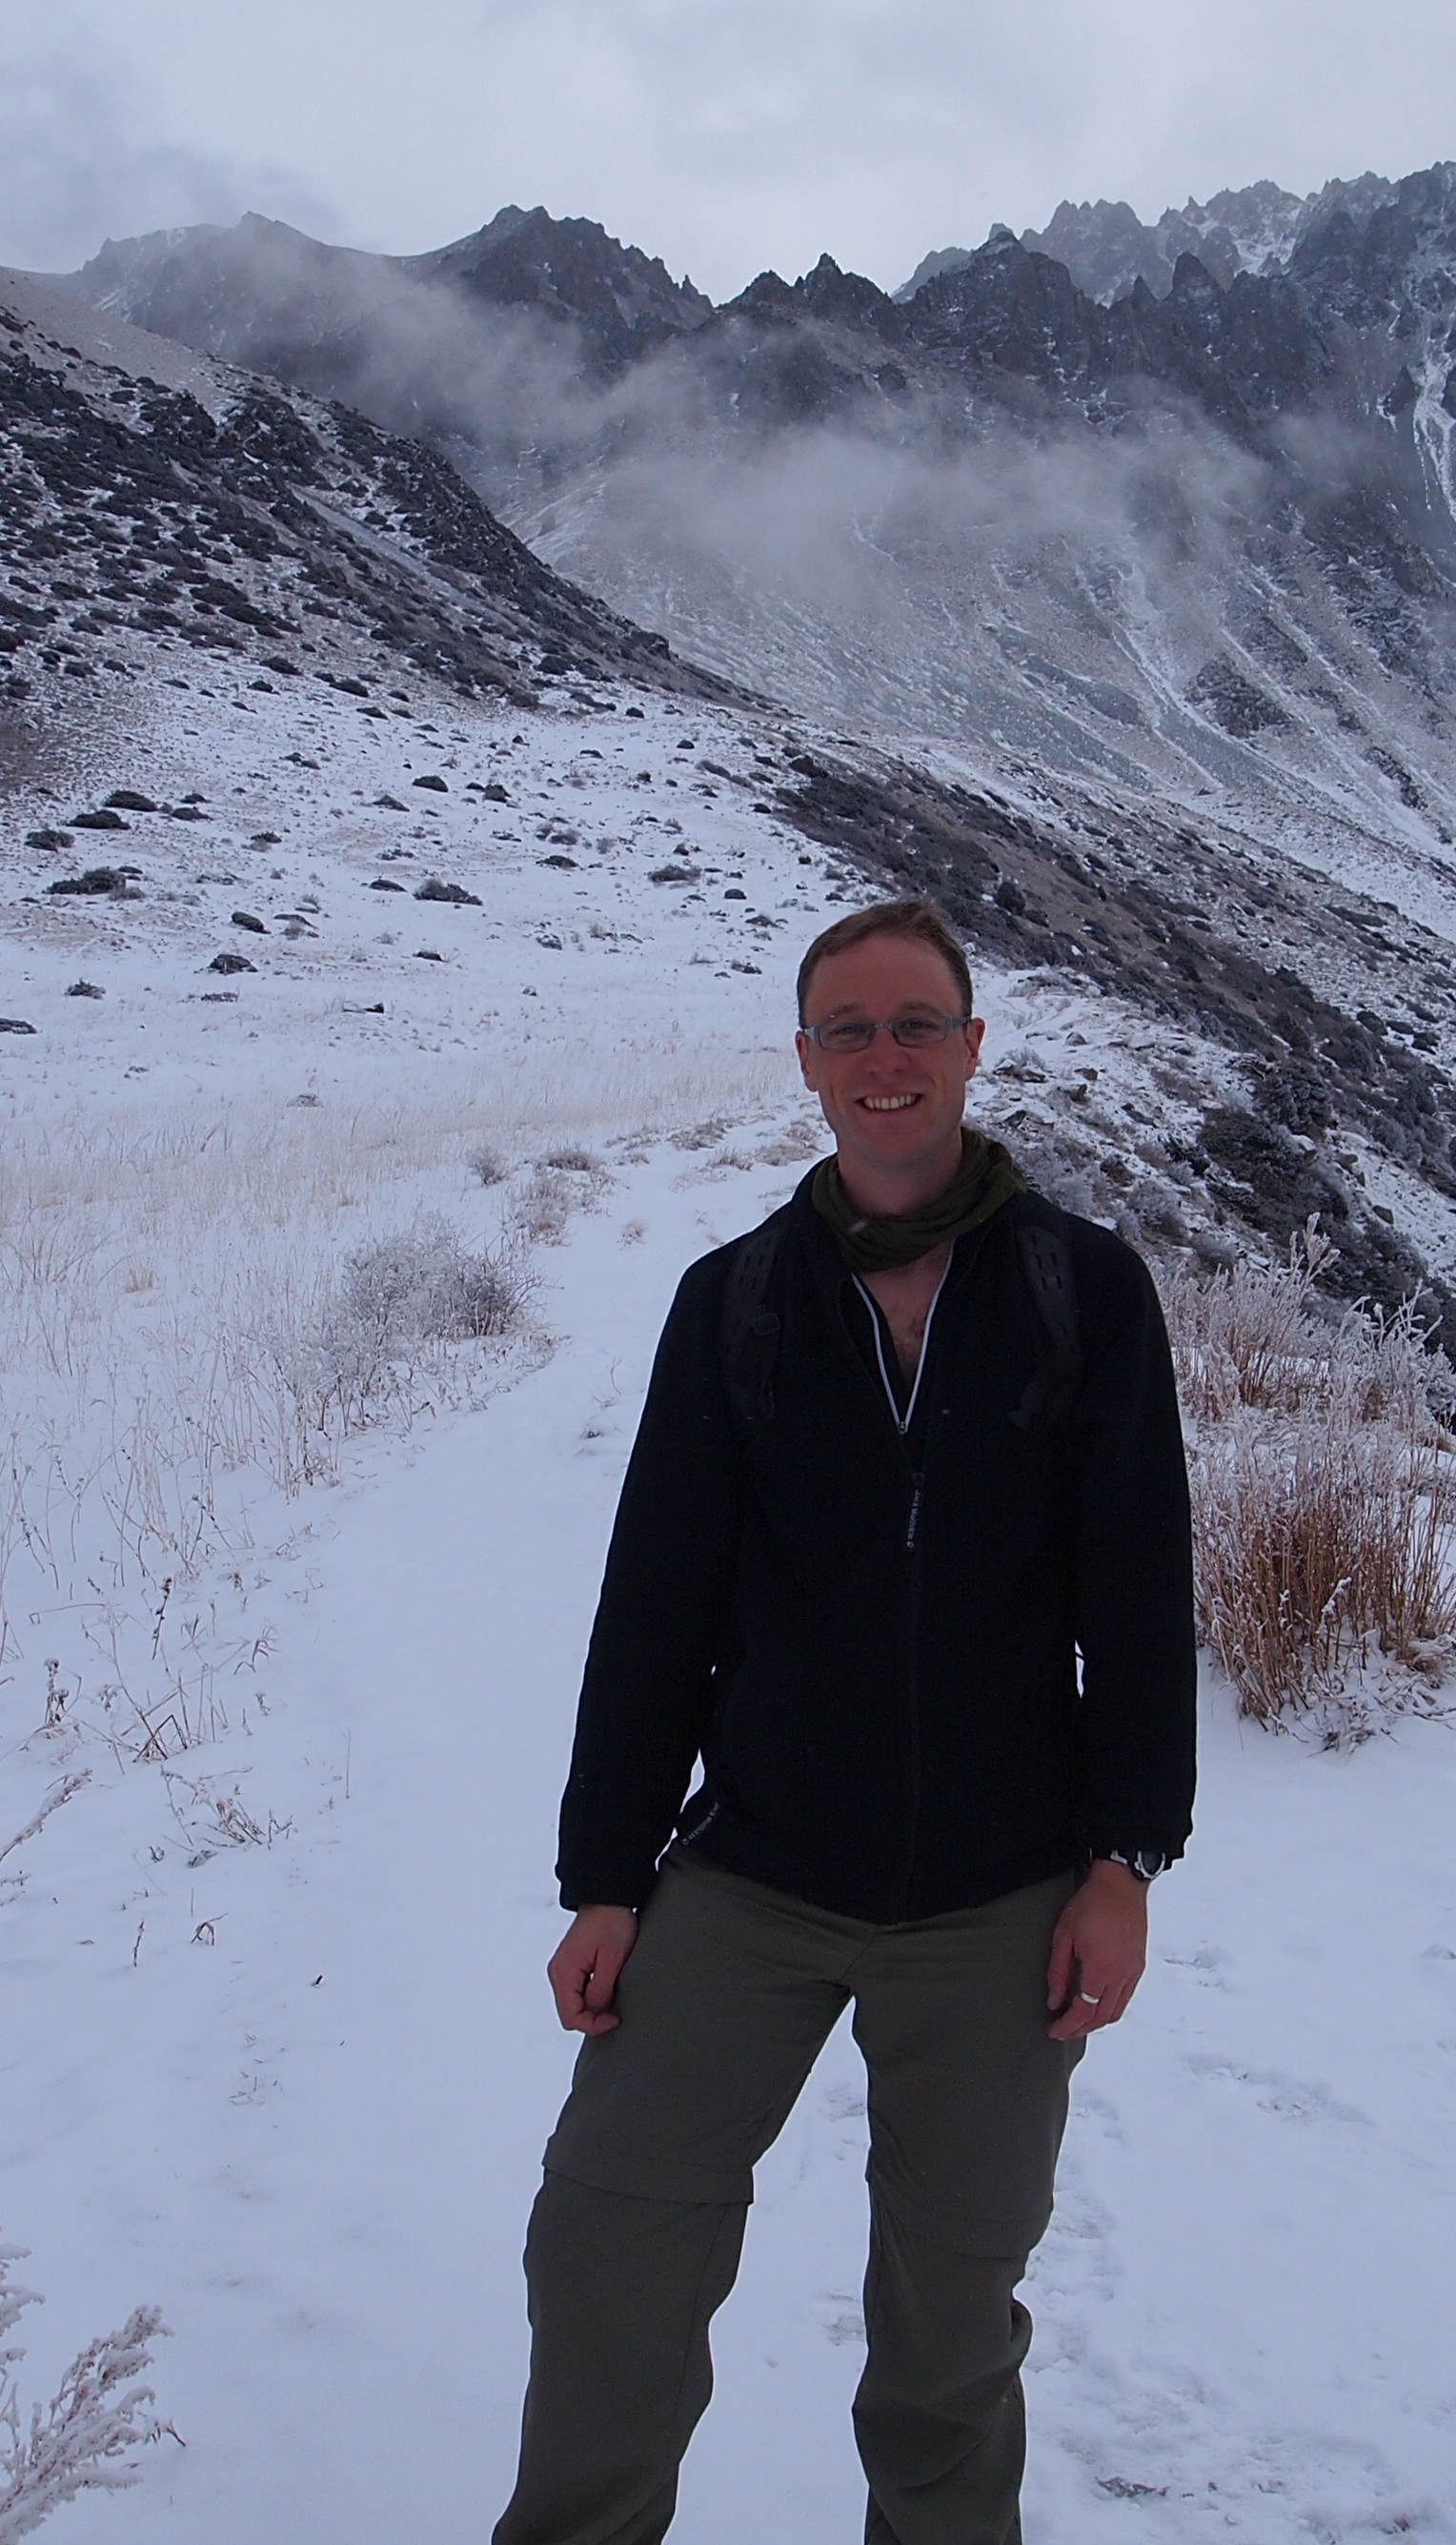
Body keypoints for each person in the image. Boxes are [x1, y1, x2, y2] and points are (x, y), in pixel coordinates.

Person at [495, 897, 1197, 2545]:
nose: (888, 1059)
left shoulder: (1083, 1291)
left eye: (917, 1024)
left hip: (999, 1893)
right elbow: (656, 1608)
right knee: (607, 2245)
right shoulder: (737, 1301)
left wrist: (1124, 1859)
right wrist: (606, 1878)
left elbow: (1137, 1596)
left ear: (972, 1046)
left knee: (950, 2326)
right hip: (755, 1870)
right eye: (851, 1030)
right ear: (807, 1063)